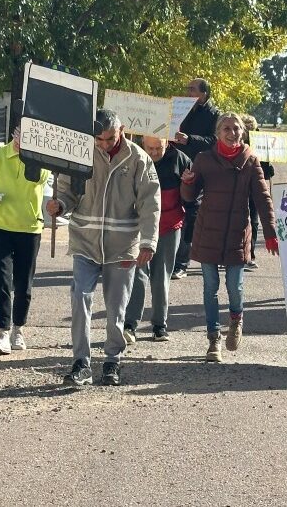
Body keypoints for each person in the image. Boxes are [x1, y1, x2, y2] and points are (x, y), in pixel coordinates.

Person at [50, 110, 160, 387]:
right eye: (98, 139)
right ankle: (81, 362)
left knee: (116, 308)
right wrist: (60, 204)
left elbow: (150, 203)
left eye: (109, 138)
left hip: (122, 247)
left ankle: (112, 360)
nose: (103, 144)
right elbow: (67, 190)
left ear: (121, 130)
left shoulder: (138, 159)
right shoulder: (80, 153)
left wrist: (148, 242)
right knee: (80, 298)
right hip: (85, 242)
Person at [181, 113, 278, 362]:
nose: (232, 132)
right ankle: (213, 339)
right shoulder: (203, 160)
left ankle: (236, 320)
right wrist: (188, 183)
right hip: (208, 234)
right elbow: (190, 197)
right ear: (217, 132)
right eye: (226, 128)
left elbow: (263, 199)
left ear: (243, 133)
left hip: (237, 234)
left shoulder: (251, 161)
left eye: (236, 128)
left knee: (235, 287)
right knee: (210, 288)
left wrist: (270, 232)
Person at [0, 128, 50, 355]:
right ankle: (2, 333)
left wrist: (32, 155)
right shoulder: (0, 155)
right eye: (19, 136)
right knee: (1, 280)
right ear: (13, 134)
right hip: (0, 227)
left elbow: (42, 178)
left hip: (29, 228)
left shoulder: (39, 157)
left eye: (27, 137)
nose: (21, 141)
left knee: (23, 284)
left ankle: (18, 329)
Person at [122, 135, 190, 343]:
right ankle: (130, 324)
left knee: (161, 277)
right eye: (150, 148)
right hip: (140, 226)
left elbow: (192, 195)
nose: (153, 153)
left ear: (167, 143)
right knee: (138, 275)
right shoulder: (133, 158)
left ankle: (160, 325)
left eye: (158, 148)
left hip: (169, 226)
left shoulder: (181, 159)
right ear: (143, 143)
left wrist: (189, 184)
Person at [172, 77, 219, 280]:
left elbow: (214, 141)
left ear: (204, 94)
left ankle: (182, 263)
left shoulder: (214, 114)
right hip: (175, 164)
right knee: (172, 209)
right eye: (187, 88)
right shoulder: (181, 109)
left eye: (192, 89)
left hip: (197, 168)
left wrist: (189, 139)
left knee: (190, 214)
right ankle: (166, 259)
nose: (188, 92)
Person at [241, 114, 275, 271]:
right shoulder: (236, 142)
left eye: (251, 128)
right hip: (239, 186)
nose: (248, 131)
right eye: (246, 128)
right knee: (239, 220)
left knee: (253, 221)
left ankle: (250, 254)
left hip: (254, 187)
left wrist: (269, 168)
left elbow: (265, 168)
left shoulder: (262, 142)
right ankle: (237, 253)